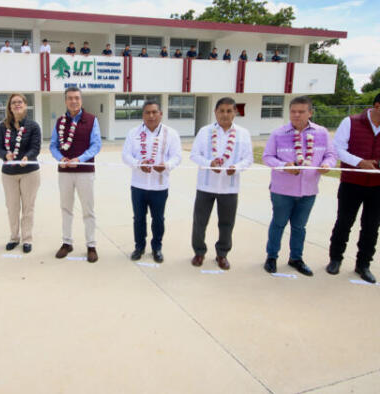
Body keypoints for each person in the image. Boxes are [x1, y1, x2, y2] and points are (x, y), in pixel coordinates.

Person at [262, 96, 336, 276]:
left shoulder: (322, 133)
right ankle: (271, 257)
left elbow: (330, 155)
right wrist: (284, 167)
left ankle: (296, 258)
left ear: (310, 112)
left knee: (299, 227)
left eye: (301, 111)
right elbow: (267, 157)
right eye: (293, 111)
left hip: (309, 190)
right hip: (282, 190)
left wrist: (327, 165)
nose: (296, 115)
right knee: (278, 224)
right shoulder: (278, 133)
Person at [189, 97, 253, 270]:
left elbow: (248, 159)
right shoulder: (204, 131)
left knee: (226, 223)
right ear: (215, 112)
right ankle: (199, 252)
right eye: (221, 111)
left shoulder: (243, 133)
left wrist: (236, 167)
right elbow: (194, 155)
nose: (225, 114)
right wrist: (209, 163)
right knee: (199, 222)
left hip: (229, 187)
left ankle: (222, 254)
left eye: (229, 111)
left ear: (235, 113)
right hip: (205, 185)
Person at [326, 93, 380, 283]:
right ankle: (335, 259)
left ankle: (363, 264)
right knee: (344, 222)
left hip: (377, 186)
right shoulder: (350, 122)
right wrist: (359, 162)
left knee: (372, 227)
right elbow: (338, 149)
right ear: (377, 105)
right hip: (352, 182)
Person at [122, 101, 182, 263]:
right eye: (147, 112)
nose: (151, 116)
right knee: (139, 218)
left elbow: (177, 156)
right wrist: (138, 164)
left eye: (154, 112)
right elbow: (126, 155)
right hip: (138, 185)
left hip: (160, 185)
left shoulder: (171, 134)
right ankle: (139, 247)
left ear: (161, 114)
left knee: (158, 219)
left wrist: (167, 165)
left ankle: (157, 248)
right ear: (142, 115)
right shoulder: (133, 133)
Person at [50, 87, 102, 263]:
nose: (74, 101)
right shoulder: (59, 122)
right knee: (66, 208)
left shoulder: (92, 120)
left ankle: (91, 245)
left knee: (88, 210)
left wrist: (79, 159)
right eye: (70, 98)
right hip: (65, 172)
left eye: (77, 98)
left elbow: (96, 145)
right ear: (65, 101)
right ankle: (67, 242)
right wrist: (60, 158)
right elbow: (53, 146)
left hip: (85, 172)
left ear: (81, 100)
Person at [0, 94, 41, 253]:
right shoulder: (3, 126)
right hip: (9, 173)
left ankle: (27, 239)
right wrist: (5, 155)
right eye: (13, 103)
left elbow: (36, 147)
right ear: (9, 107)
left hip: (29, 172)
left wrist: (28, 157)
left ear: (25, 105)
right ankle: (14, 237)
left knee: (28, 207)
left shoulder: (33, 126)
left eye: (19, 102)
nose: (16, 104)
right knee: (12, 207)